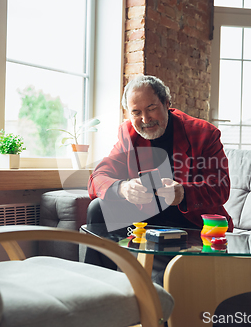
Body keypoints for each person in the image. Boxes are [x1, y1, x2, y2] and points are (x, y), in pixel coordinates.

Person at [85, 75, 232, 284]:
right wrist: (123, 188)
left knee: (160, 284)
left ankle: (156, 302)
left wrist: (183, 193)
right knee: (97, 208)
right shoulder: (128, 133)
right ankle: (97, 289)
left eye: (151, 108)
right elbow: (97, 177)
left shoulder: (204, 134)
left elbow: (221, 187)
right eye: (136, 112)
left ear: (167, 104)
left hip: (189, 222)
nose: (145, 119)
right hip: (146, 219)